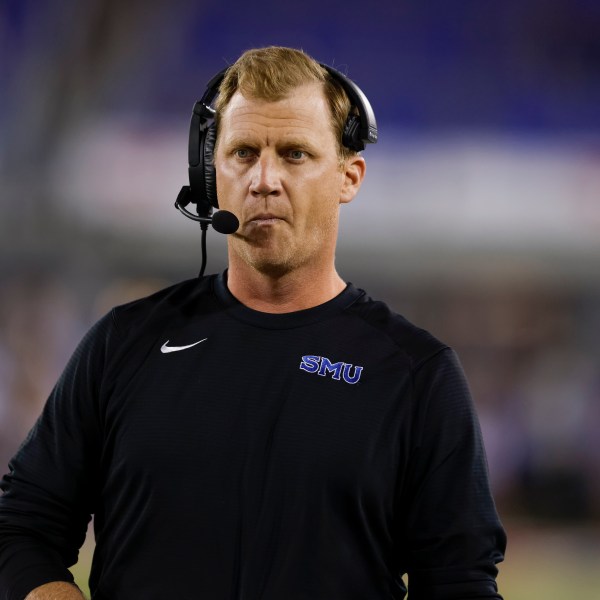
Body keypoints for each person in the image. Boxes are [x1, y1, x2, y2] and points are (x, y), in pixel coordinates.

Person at [0, 46, 506, 600]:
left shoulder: (416, 374)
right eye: (243, 152)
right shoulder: (124, 343)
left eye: (294, 154)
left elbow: (460, 582)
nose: (264, 179)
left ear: (348, 176)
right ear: (210, 174)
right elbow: (21, 527)